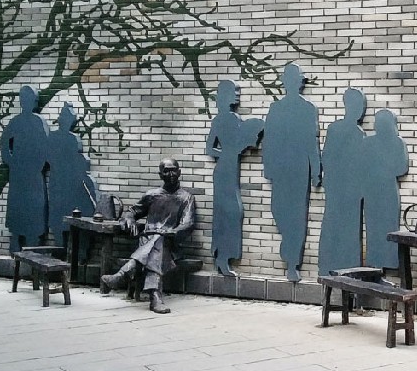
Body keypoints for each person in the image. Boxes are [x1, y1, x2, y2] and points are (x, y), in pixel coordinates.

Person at [101, 158, 196, 314]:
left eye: (173, 170)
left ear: (179, 172)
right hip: (147, 243)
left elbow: (188, 223)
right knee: (155, 247)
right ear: (160, 174)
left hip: (170, 245)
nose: (170, 174)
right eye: (166, 171)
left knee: (159, 241)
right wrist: (130, 219)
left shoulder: (186, 198)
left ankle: (123, 275)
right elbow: (132, 212)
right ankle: (155, 298)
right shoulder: (152, 195)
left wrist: (171, 232)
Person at [262, 63, 321, 282]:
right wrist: (268, 166)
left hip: (300, 168)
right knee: (278, 210)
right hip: (280, 168)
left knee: (297, 216)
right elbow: (268, 140)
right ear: (285, 83)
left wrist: (316, 170)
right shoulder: (276, 108)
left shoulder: (308, 109)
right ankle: (288, 245)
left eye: (297, 80)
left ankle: (293, 263)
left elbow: (312, 141)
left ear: (300, 83)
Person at [207, 80, 263, 276]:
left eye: (239, 91)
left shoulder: (234, 118)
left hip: (231, 170)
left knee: (234, 213)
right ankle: (222, 258)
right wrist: (228, 154)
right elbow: (210, 149)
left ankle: (225, 257)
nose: (238, 95)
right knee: (228, 213)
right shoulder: (222, 119)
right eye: (234, 91)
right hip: (224, 171)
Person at [318, 88, 367, 275]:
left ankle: (337, 266)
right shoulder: (354, 132)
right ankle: (340, 267)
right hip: (345, 187)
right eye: (358, 106)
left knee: (339, 226)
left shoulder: (338, 129)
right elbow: (329, 157)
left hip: (343, 186)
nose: (360, 111)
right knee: (340, 226)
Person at [0, 85, 50, 253]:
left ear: (34, 101)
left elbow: (45, 146)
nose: (26, 102)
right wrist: (10, 160)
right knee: (17, 205)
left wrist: (39, 165)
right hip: (18, 172)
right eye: (23, 99)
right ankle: (15, 241)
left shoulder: (38, 121)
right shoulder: (16, 121)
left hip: (33, 174)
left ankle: (33, 245)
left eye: (29, 99)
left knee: (35, 207)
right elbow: (4, 141)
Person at [46, 102, 97, 250]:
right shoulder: (53, 137)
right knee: (58, 218)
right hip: (58, 183)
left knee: (71, 216)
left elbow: (77, 159)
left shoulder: (73, 139)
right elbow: (48, 157)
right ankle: (60, 250)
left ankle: (73, 252)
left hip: (69, 183)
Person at [362, 109, 409, 270]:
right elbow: (361, 165)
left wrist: (381, 169)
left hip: (388, 191)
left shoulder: (398, 143)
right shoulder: (367, 143)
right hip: (371, 191)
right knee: (373, 228)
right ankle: (374, 264)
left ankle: (389, 262)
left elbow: (402, 168)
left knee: (389, 227)